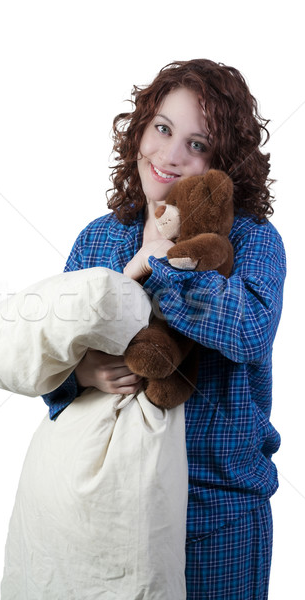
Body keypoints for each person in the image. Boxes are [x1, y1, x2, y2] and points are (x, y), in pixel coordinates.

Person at [42, 59, 286, 599]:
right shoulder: (100, 239)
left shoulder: (253, 240)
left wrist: (164, 268)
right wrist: (79, 373)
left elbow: (248, 332)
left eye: (197, 145)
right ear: (141, 129)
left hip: (214, 511)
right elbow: (50, 351)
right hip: (109, 506)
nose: (171, 156)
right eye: (163, 129)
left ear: (224, 164)